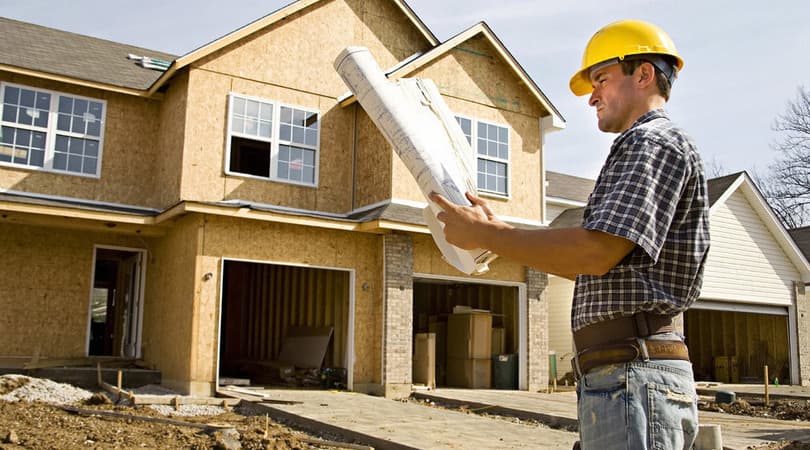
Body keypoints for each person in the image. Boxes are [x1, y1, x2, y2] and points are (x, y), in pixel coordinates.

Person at [431, 19, 709, 450]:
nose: (592, 96)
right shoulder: (641, 147)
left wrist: (492, 234)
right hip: (624, 376)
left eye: (601, 79)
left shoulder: (652, 142)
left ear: (644, 73)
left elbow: (594, 253)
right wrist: (495, 233)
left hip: (634, 376)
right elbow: (597, 267)